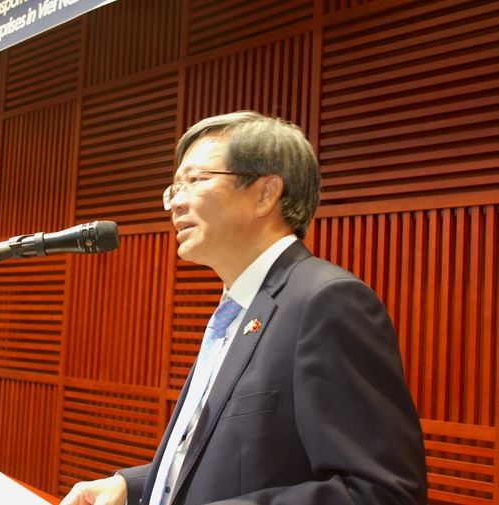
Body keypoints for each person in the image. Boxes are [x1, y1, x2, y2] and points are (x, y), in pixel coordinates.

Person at [60, 111, 427, 505]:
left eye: (195, 180)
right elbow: (232, 454)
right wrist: (131, 487)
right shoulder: (238, 307)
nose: (176, 202)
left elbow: (381, 493)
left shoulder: (325, 301)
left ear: (265, 194)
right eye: (175, 187)